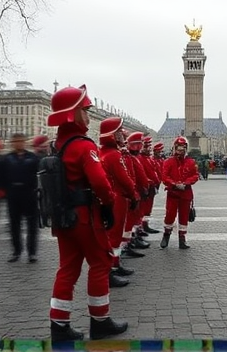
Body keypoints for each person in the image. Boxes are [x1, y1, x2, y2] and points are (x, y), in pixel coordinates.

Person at [47, 85, 128, 342]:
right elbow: (101, 183)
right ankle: (100, 321)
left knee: (67, 268)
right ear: (73, 113)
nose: (88, 115)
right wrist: (108, 204)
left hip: (62, 217)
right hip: (84, 217)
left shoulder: (57, 145)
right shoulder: (83, 146)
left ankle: (59, 326)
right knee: (101, 263)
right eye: (85, 110)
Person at [99, 116, 139, 286]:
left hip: (110, 198)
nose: (123, 136)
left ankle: (114, 265)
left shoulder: (104, 153)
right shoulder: (114, 156)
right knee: (114, 236)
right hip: (118, 198)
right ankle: (110, 271)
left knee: (112, 235)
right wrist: (133, 194)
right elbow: (125, 179)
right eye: (119, 133)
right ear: (112, 136)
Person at [0, 133, 40, 263]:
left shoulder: (33, 158)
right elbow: (1, 177)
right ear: (12, 143)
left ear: (25, 142)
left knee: (32, 226)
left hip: (30, 195)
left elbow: (39, 176)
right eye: (16, 141)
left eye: (21, 141)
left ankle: (32, 253)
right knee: (14, 225)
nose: (19, 143)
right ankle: (16, 251)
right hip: (13, 195)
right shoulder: (7, 159)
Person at [160, 136, 199, 249]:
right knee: (169, 216)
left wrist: (186, 183)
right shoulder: (168, 162)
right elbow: (164, 176)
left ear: (186, 149)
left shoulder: (191, 162)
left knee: (184, 217)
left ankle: (182, 239)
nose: (180, 150)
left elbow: (195, 175)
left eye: (183, 148)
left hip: (185, 194)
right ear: (175, 148)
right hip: (173, 193)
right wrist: (174, 183)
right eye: (179, 148)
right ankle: (166, 235)